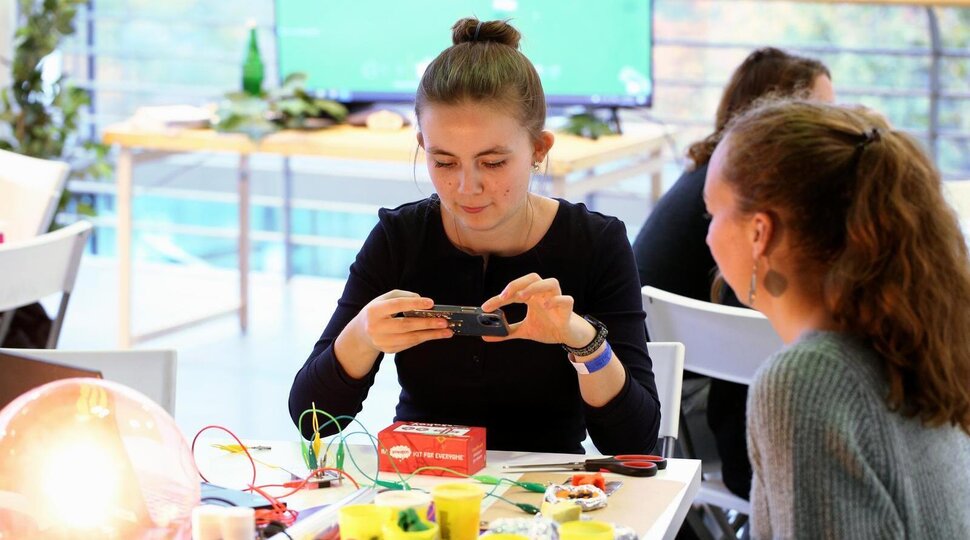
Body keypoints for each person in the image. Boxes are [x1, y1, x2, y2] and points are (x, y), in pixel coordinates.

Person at [288, 18, 660, 455]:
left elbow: (634, 442)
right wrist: (362, 336)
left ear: (539, 149)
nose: (466, 187)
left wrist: (580, 339)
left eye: (493, 163)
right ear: (423, 145)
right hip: (419, 483)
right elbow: (312, 421)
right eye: (444, 163)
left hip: (547, 492)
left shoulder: (595, 243)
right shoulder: (400, 237)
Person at [704, 99, 970, 538]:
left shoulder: (808, 380)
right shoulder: (907, 340)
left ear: (759, 232)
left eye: (713, 214)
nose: (709, 234)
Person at [631, 47, 833, 499]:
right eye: (821, 114)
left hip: (681, 382)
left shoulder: (708, 176)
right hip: (683, 399)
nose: (832, 130)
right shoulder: (739, 209)